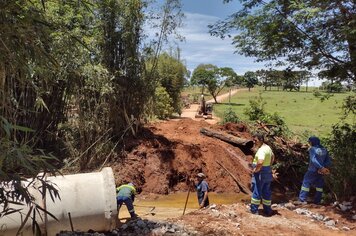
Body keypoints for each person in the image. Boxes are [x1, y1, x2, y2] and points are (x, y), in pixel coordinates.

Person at [298, 136, 331, 204]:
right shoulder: (324, 149)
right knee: (319, 186)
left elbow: (313, 160)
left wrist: (320, 167)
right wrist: (324, 168)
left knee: (306, 183)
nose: (309, 143)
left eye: (310, 142)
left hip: (312, 170)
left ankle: (302, 199)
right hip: (321, 171)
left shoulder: (312, 149)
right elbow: (328, 160)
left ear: (313, 142)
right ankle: (317, 201)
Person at [250, 133, 275, 216]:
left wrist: (256, 170)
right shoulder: (267, 148)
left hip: (260, 172)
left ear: (261, 140)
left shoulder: (261, 150)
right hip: (267, 170)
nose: (254, 142)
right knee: (266, 191)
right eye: (253, 140)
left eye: (256, 140)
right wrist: (269, 166)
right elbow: (273, 156)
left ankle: (254, 210)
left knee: (257, 189)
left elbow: (260, 162)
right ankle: (268, 210)